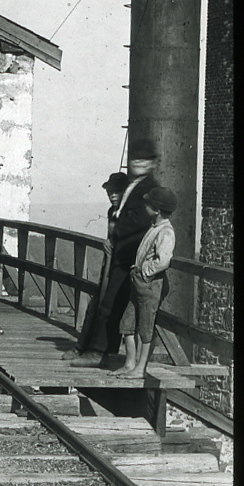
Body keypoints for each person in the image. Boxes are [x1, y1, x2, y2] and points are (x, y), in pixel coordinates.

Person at [70, 138, 162, 368]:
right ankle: (93, 349)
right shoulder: (134, 183)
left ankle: (100, 352)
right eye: (135, 159)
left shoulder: (149, 188)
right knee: (105, 301)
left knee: (111, 303)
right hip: (121, 254)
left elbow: (140, 220)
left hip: (131, 255)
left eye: (144, 160)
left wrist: (115, 228)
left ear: (152, 163)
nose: (138, 163)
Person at [115, 186, 178, 376]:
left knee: (145, 327)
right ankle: (129, 364)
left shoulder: (166, 232)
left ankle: (141, 368)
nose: (145, 206)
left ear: (157, 209)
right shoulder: (155, 227)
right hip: (140, 284)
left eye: (148, 203)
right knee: (127, 324)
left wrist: (144, 271)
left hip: (151, 285)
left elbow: (163, 260)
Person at [73, 171, 129, 356]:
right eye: (109, 192)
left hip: (123, 269)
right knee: (94, 306)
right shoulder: (112, 212)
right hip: (110, 266)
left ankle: (103, 352)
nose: (112, 195)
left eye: (116, 192)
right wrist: (107, 242)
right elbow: (111, 237)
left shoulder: (130, 215)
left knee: (110, 308)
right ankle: (82, 347)